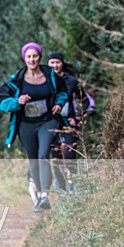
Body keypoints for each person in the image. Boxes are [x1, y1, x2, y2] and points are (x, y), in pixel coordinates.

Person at [0, 42, 68, 213]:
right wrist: (17, 101)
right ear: (24, 58)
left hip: (47, 121)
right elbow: (0, 102)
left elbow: (63, 91)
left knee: (43, 155)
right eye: (28, 56)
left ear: (39, 56)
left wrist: (59, 104)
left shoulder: (50, 75)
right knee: (34, 160)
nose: (32, 59)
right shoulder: (16, 80)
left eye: (35, 55)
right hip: (26, 125)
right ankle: (39, 194)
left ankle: (44, 196)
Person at [47, 52, 95, 194]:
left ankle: (71, 185)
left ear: (62, 63)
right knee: (56, 157)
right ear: (48, 65)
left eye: (58, 62)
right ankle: (60, 184)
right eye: (52, 63)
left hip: (69, 123)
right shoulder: (44, 81)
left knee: (69, 154)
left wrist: (78, 117)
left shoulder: (72, 81)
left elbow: (85, 100)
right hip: (51, 124)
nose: (55, 65)